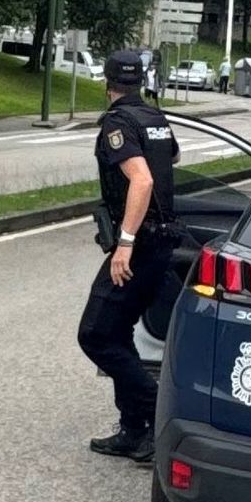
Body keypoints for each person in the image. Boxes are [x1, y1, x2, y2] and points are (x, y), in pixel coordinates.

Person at [78, 51, 181, 462]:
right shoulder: (156, 118)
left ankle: (157, 415)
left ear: (107, 83)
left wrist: (124, 243)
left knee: (96, 334)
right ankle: (133, 430)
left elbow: (143, 179)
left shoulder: (118, 123)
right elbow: (172, 157)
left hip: (140, 246)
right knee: (119, 332)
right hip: (163, 241)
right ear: (140, 81)